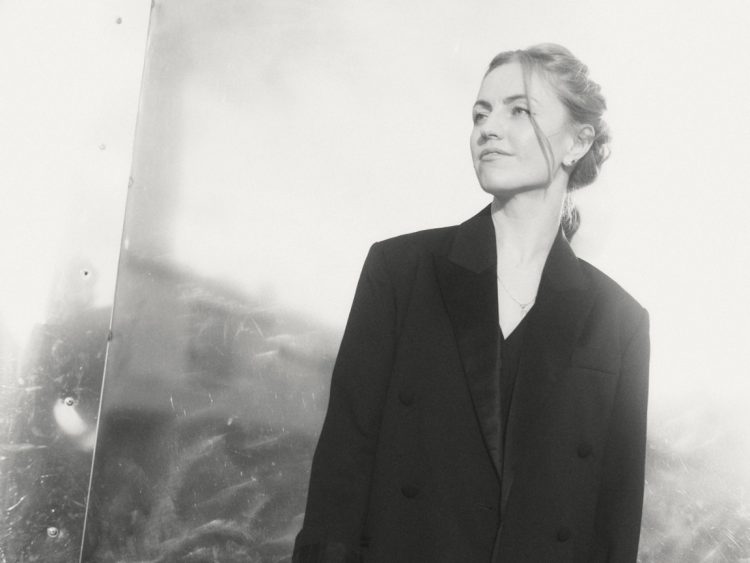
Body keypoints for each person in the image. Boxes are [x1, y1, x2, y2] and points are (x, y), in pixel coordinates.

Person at [293, 43, 649, 562]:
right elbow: (341, 470)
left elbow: (614, 526)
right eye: (480, 114)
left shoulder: (619, 322)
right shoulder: (401, 272)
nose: (489, 128)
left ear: (578, 141)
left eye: (518, 110)